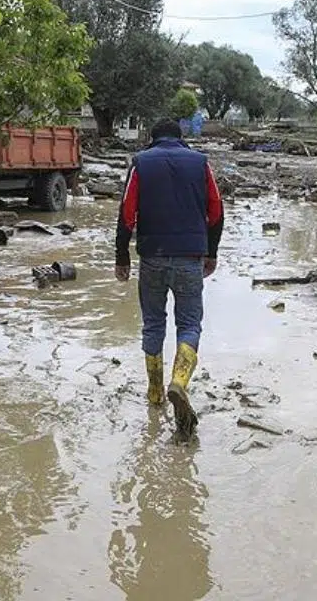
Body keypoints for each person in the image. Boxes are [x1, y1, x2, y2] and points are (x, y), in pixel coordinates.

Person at [115, 119, 224, 440]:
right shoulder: (201, 163)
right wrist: (211, 252)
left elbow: (126, 214)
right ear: (181, 138)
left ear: (152, 138)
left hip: (152, 256)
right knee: (189, 324)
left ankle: (154, 393)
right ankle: (179, 381)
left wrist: (121, 256)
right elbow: (216, 212)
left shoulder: (140, 164)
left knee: (153, 323)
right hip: (190, 256)